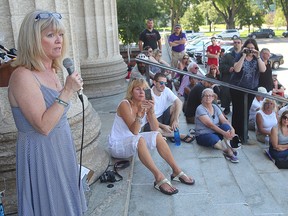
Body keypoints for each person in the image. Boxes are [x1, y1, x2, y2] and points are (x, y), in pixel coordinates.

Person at [8, 10, 87, 215]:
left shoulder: (52, 71)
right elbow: (43, 126)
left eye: (60, 34)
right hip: (40, 154)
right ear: (33, 39)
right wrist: (68, 90)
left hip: (61, 148)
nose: (58, 40)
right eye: (50, 35)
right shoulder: (22, 76)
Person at [108, 78, 195, 195]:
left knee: (157, 135)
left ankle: (176, 171)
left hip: (133, 141)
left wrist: (151, 111)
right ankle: (158, 177)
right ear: (131, 92)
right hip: (118, 145)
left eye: (144, 89)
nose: (141, 92)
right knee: (139, 138)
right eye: (137, 89)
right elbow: (134, 131)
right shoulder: (125, 104)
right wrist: (139, 114)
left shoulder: (145, 104)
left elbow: (154, 129)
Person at [230, 38, 266, 142]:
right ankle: (235, 134)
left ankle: (243, 134)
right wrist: (243, 55)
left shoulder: (257, 58)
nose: (250, 50)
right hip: (237, 87)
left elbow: (263, 69)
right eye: (248, 48)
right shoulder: (240, 55)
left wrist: (258, 56)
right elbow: (237, 69)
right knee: (237, 111)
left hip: (251, 88)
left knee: (246, 111)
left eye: (252, 48)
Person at [144, 73, 195, 143]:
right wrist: (163, 126)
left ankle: (170, 131)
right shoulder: (148, 94)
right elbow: (148, 118)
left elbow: (179, 102)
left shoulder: (166, 90)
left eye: (165, 83)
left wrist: (176, 120)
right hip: (152, 120)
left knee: (175, 106)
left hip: (163, 116)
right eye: (161, 83)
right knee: (153, 129)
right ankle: (177, 135)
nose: (163, 86)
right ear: (154, 82)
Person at [195, 88, 239, 163]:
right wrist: (224, 133)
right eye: (205, 96)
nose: (208, 97)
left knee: (226, 127)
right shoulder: (200, 108)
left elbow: (224, 120)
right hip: (203, 134)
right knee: (213, 138)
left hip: (216, 131)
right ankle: (228, 151)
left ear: (213, 97)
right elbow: (210, 125)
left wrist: (232, 129)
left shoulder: (215, 107)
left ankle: (229, 148)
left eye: (210, 96)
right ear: (202, 98)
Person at [219, 37, 242, 115]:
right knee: (226, 94)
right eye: (235, 42)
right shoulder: (227, 56)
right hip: (229, 79)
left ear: (241, 44)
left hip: (240, 80)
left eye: (238, 42)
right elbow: (221, 66)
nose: (236, 44)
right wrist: (229, 68)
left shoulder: (244, 56)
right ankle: (227, 108)